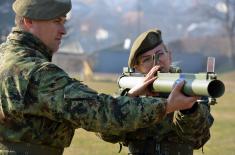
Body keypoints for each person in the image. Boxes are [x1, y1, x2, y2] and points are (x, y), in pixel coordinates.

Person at [0, 1, 198, 155]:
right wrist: (166, 106)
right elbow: (99, 113)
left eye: (63, 21)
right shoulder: (37, 73)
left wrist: (131, 97)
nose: (63, 30)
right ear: (29, 21)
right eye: (56, 21)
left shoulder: (5, 57)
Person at [99, 29, 214, 155]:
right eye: (147, 59)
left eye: (160, 54)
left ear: (169, 56)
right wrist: (130, 98)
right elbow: (108, 134)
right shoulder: (129, 94)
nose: (156, 62)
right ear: (137, 68)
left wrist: (188, 109)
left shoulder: (191, 87)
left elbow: (198, 138)